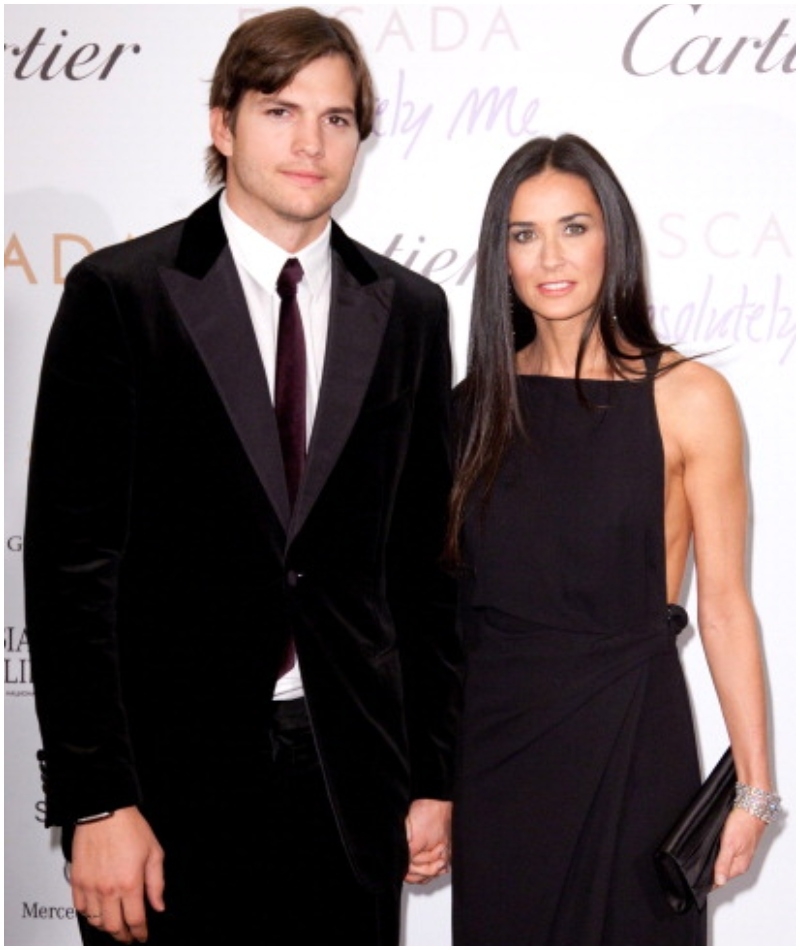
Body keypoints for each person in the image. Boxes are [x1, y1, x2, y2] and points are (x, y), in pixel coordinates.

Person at [24, 8, 460, 946]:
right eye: (279, 110)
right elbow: (70, 568)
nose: (310, 142)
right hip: (162, 796)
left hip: (352, 785)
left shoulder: (412, 312)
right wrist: (98, 802)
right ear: (222, 125)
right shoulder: (121, 296)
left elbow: (424, 566)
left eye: (336, 119)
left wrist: (433, 775)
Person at [446, 134, 778, 945]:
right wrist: (429, 786)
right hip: (497, 757)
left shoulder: (687, 397)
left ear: (613, 239)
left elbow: (727, 607)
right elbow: (444, 621)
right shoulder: (470, 407)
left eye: (574, 227)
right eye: (524, 235)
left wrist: (755, 790)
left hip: (633, 742)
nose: (550, 256)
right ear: (502, 257)